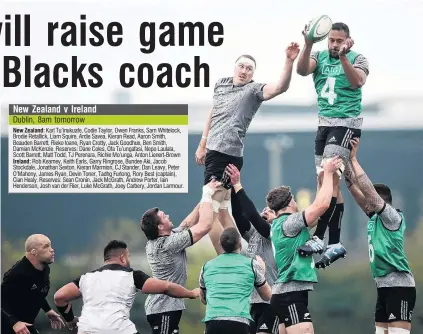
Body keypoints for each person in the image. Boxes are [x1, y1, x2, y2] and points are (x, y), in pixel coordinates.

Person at [194, 43, 300, 253]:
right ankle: (238, 254)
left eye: (249, 69)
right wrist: (202, 143)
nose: (244, 71)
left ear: (252, 74)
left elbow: (280, 87)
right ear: (234, 68)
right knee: (223, 209)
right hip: (215, 150)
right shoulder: (221, 84)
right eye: (241, 67)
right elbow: (213, 112)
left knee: (210, 213)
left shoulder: (253, 90)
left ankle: (226, 258)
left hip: (225, 153)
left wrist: (289, 61)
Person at [296, 21, 370, 267]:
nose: (335, 45)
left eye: (339, 41)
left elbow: (357, 82)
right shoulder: (319, 56)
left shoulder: (358, 59)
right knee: (323, 183)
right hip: (324, 125)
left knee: (331, 178)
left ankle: (320, 237)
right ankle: (336, 243)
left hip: (346, 124)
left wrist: (344, 57)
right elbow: (302, 70)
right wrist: (307, 43)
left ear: (347, 40)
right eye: (332, 40)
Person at [345, 138, 416, 334]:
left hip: (399, 286)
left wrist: (354, 159)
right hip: (383, 287)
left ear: (380, 201)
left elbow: (367, 191)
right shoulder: (374, 217)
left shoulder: (392, 218)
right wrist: (342, 162)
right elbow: (353, 188)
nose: (364, 203)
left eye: (370, 200)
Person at [53, 240, 200, 334]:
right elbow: (166, 287)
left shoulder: (86, 278)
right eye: (128, 256)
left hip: (87, 330)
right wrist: (191, 293)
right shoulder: (132, 276)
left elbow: (60, 297)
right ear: (123, 258)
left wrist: (70, 319)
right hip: (119, 330)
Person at [140, 179, 227, 334]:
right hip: (163, 308)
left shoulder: (165, 239)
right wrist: (206, 194)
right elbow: (205, 225)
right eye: (163, 216)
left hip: (165, 308)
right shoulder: (167, 244)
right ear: (160, 227)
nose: (167, 215)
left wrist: (206, 196)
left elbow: (188, 223)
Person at [267, 158, 342, 334]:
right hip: (289, 293)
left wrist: (321, 184)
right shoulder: (289, 222)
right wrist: (329, 173)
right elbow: (322, 205)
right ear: (290, 202)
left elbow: (316, 213)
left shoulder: (283, 223)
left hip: (287, 293)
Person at [224, 164, 280, 334]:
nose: (265, 211)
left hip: (271, 299)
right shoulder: (255, 234)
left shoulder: (276, 232)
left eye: (271, 211)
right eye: (265, 208)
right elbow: (239, 217)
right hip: (252, 301)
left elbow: (253, 216)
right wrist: (232, 189)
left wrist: (238, 185)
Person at [199, 227, 272, 334]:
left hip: (213, 322)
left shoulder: (206, 266)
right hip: (239, 322)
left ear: (220, 244)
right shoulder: (251, 264)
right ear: (240, 245)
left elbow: (203, 299)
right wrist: (262, 272)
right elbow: (267, 296)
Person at [1, 234, 65, 334]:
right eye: (46, 246)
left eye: (51, 246)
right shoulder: (17, 274)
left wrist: (47, 310)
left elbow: (36, 291)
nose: (52, 250)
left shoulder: (44, 268)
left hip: (26, 325)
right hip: (8, 327)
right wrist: (15, 323)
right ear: (34, 252)